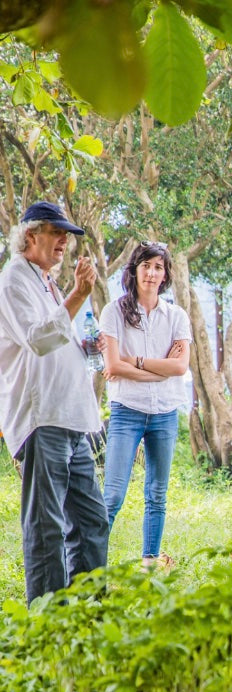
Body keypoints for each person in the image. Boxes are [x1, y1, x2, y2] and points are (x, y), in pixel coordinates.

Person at [0, 201, 107, 603]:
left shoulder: (47, 282)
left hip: (74, 418)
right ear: (30, 237)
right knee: (46, 526)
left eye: (68, 235)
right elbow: (38, 339)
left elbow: (58, 341)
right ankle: (48, 625)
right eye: (56, 232)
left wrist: (86, 345)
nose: (64, 241)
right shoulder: (13, 280)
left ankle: (88, 616)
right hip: (42, 418)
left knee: (91, 521)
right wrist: (79, 295)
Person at [97, 242, 190, 567]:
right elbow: (112, 366)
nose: (152, 273)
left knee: (157, 495)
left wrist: (134, 361)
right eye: (146, 266)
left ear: (165, 275)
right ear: (134, 270)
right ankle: (93, 563)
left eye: (158, 267)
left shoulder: (176, 316)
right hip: (127, 412)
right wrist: (156, 370)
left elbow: (179, 368)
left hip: (165, 413)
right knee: (113, 495)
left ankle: (150, 563)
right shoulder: (115, 311)